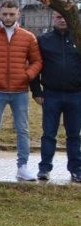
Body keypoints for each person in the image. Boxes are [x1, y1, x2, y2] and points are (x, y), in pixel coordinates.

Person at [0, 0, 42, 180]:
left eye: (11, 14)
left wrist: (27, 76)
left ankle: (23, 166)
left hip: (20, 91)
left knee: (23, 130)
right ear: (0, 14)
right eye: (5, 14)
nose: (8, 17)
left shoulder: (28, 37)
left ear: (18, 14)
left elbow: (37, 61)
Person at [31, 11, 81, 182]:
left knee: (74, 135)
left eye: (65, 16)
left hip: (76, 95)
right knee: (49, 134)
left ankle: (76, 170)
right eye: (59, 17)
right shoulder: (44, 40)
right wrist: (36, 91)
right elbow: (34, 66)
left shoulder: (78, 39)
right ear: (53, 19)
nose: (62, 20)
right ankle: (44, 168)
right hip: (51, 95)